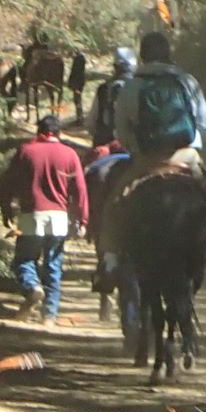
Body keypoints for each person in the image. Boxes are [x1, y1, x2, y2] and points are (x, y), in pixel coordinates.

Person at [113, 29, 206, 292]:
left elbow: (121, 132)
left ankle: (108, 262)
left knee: (114, 203)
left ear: (143, 55)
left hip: (146, 160)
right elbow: (203, 126)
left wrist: (138, 150)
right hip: (186, 155)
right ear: (169, 53)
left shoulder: (131, 86)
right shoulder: (187, 82)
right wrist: (190, 144)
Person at [0, 112, 89, 322]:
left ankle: (32, 287)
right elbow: (80, 190)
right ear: (58, 133)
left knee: (24, 259)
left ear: (39, 131)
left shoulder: (26, 151)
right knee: (53, 266)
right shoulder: (70, 155)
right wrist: (82, 219)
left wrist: (6, 208)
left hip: (32, 216)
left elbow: (8, 183)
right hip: (59, 218)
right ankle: (49, 314)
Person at [84, 136, 130, 317]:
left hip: (102, 218)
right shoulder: (132, 164)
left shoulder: (97, 167)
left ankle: (105, 297)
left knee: (103, 252)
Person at [91, 45, 137, 149]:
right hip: (134, 149)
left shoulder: (103, 89)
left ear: (115, 67)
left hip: (105, 146)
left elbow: (91, 123)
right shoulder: (140, 89)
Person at [67, 49, 88, 123]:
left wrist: (71, 82)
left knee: (77, 99)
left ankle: (79, 118)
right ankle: (79, 117)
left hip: (77, 82)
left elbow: (74, 71)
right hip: (80, 81)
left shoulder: (78, 59)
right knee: (78, 99)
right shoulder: (82, 58)